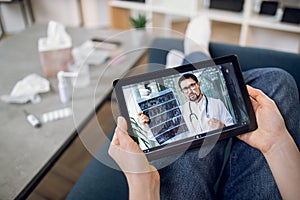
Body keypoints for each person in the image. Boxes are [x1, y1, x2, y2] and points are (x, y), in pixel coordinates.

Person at [109, 15, 300, 200]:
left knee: (191, 154)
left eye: (193, 85)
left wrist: (141, 182)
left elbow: (231, 124)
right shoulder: (181, 109)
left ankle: (190, 58)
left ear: (199, 85)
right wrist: (277, 143)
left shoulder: (216, 103)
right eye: (186, 88)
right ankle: (194, 54)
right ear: (183, 93)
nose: (191, 90)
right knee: (276, 80)